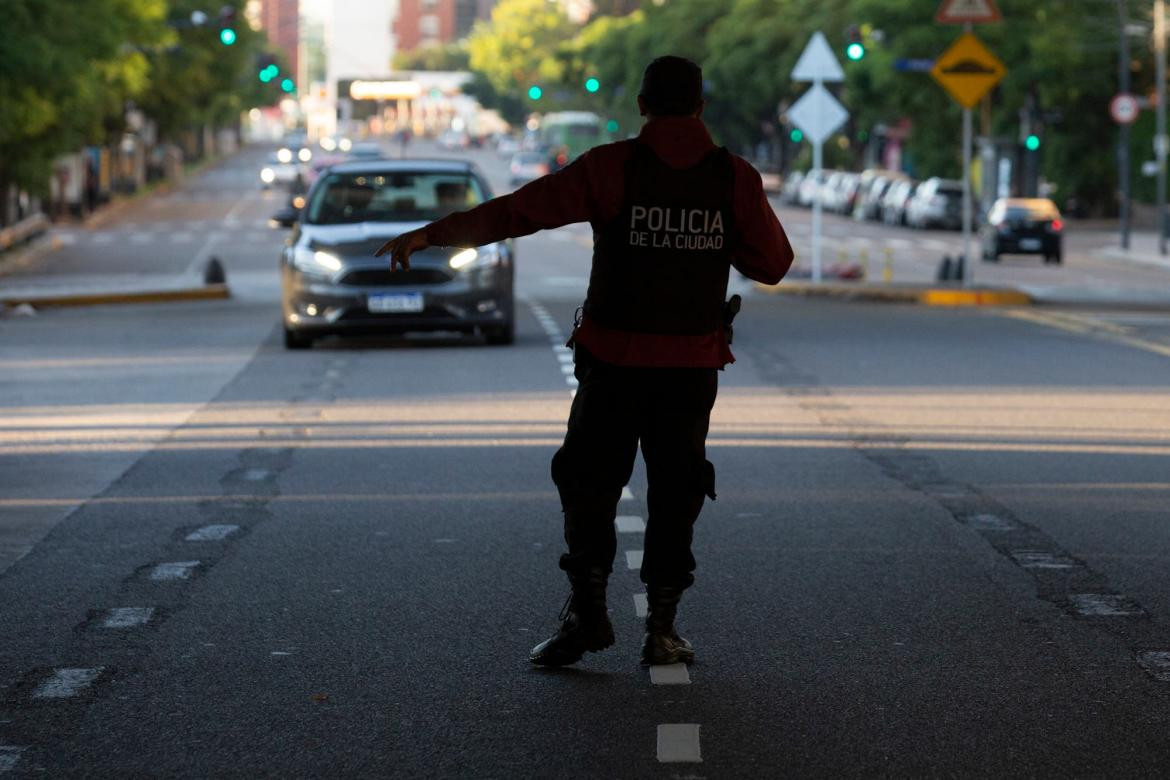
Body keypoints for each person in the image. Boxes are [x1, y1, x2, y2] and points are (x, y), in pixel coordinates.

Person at [376, 55, 794, 667]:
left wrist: (434, 234)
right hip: (689, 367)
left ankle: (588, 615)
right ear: (701, 107)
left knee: (588, 483)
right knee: (677, 490)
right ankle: (663, 629)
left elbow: (520, 210)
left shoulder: (611, 167)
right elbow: (774, 265)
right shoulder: (733, 178)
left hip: (614, 363)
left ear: (643, 107)